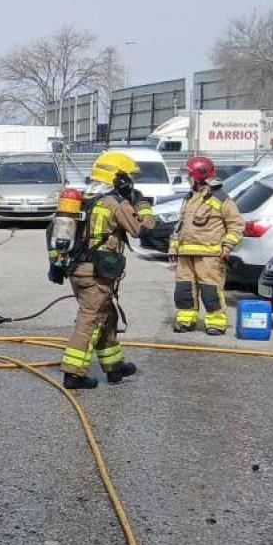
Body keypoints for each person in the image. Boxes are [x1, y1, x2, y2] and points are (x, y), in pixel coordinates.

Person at [52, 151, 154, 389]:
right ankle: (73, 374)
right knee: (90, 319)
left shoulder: (83, 197)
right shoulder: (113, 203)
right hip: (97, 272)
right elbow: (142, 229)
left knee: (107, 316)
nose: (131, 182)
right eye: (129, 177)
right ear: (118, 178)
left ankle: (114, 367)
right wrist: (143, 205)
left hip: (78, 268)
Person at [169, 155, 244, 335]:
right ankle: (186, 321)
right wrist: (173, 246)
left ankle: (216, 323)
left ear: (199, 175)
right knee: (184, 290)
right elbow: (181, 224)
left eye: (190, 175)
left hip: (210, 256)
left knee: (210, 291)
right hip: (185, 254)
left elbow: (236, 225)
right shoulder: (190, 197)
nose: (188, 179)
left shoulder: (221, 198)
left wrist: (227, 246)